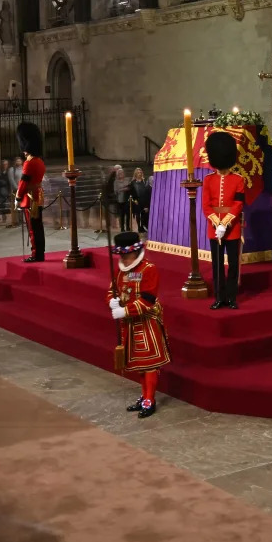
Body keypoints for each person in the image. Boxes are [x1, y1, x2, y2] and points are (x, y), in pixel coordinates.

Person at [106, 231, 171, 419]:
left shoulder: (148, 269)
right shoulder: (120, 271)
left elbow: (148, 298)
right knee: (139, 363)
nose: (124, 259)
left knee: (149, 363)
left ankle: (150, 398)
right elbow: (113, 289)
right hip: (130, 325)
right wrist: (111, 300)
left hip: (146, 322)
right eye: (122, 256)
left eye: (127, 256)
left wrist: (125, 311)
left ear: (136, 252)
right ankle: (144, 396)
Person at [203, 131, 246, 310]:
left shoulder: (238, 180)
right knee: (217, 265)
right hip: (214, 229)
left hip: (232, 228)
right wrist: (216, 223)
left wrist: (225, 223)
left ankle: (231, 297)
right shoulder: (208, 180)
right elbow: (206, 206)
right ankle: (219, 297)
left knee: (233, 265)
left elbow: (238, 204)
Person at [16, 122, 47, 262]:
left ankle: (36, 254)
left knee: (33, 228)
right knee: (38, 226)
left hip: (30, 198)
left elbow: (23, 183)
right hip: (38, 196)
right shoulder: (39, 161)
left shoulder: (29, 162)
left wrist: (17, 198)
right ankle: (40, 253)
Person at [129, 168, 150, 233]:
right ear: (135, 174)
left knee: (144, 214)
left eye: (140, 172)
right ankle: (139, 227)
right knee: (138, 214)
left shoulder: (145, 181)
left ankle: (144, 226)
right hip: (137, 201)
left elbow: (147, 192)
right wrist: (134, 201)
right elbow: (131, 193)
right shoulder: (132, 182)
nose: (139, 174)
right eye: (138, 172)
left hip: (144, 200)